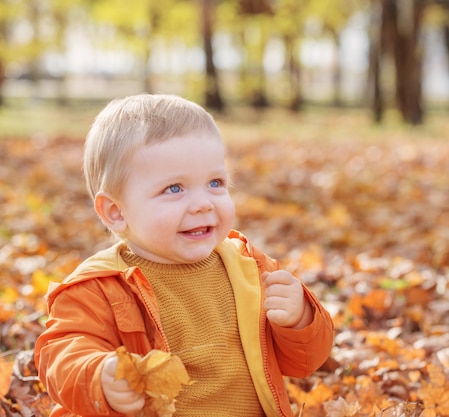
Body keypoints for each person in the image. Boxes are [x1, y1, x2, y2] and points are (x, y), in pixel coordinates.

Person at [34, 94, 335, 417]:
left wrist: (300, 319)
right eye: (174, 188)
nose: (203, 203)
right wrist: (98, 375)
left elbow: (303, 362)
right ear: (116, 212)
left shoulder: (250, 269)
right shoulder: (97, 287)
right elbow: (60, 354)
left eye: (215, 183)